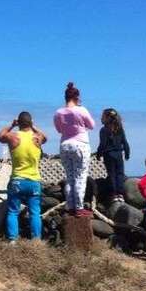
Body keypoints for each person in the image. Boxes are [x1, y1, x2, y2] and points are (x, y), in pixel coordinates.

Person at [0, 112, 47, 242]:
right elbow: (46, 137)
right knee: (35, 213)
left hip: (17, 181)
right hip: (34, 181)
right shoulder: (37, 138)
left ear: (18, 122)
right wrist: (33, 126)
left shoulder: (13, 137)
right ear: (31, 123)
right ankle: (36, 240)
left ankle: (13, 240)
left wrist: (12, 125)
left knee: (13, 211)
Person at [53, 82, 95, 216]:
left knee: (70, 177)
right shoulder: (81, 110)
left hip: (65, 145)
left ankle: (70, 205)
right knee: (80, 177)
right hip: (81, 144)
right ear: (77, 97)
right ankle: (79, 207)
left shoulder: (58, 112)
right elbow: (92, 125)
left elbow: (59, 129)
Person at [97, 108, 130, 203]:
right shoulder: (119, 128)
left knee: (112, 174)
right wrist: (127, 153)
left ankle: (114, 194)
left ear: (107, 118)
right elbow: (125, 142)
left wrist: (99, 154)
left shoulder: (104, 130)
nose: (101, 118)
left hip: (108, 154)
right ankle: (120, 194)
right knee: (120, 174)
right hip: (119, 154)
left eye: (102, 117)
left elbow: (102, 144)